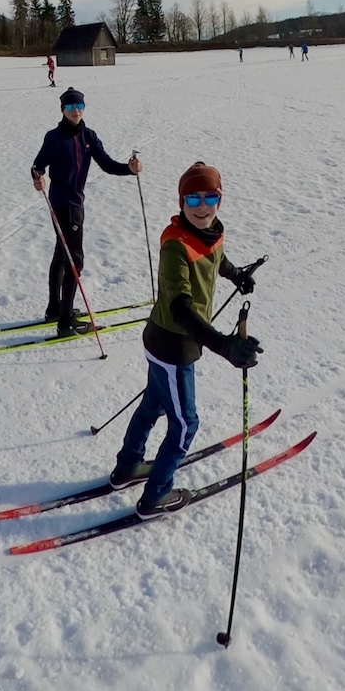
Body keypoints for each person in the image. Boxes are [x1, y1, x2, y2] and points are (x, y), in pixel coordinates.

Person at [111, 163, 263, 517]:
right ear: (181, 201)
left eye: (210, 196)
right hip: (172, 345)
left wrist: (237, 275)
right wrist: (224, 345)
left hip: (167, 342)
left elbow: (218, 259)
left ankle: (128, 467)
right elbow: (179, 307)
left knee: (154, 403)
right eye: (192, 197)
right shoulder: (175, 245)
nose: (201, 205)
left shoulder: (212, 232)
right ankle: (156, 497)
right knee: (185, 424)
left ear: (220, 200)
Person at [29, 87, 141, 337]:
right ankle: (66, 322)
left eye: (80, 106)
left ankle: (55, 309)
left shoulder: (88, 136)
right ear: (63, 110)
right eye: (70, 107)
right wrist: (37, 177)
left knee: (62, 253)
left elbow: (107, 164)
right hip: (63, 203)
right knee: (74, 259)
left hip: (76, 202)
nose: (76, 111)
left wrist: (130, 169)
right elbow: (38, 165)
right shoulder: (54, 137)